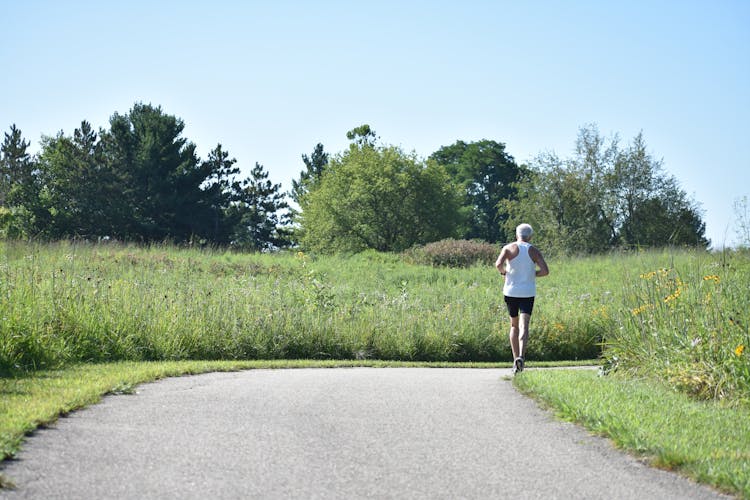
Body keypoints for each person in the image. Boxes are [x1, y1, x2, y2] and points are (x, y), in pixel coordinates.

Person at [495, 223, 549, 374]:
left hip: (510, 291)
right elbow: (545, 271)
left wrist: (504, 273)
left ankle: (514, 360)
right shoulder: (533, 250)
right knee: (524, 326)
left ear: (516, 235)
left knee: (514, 325)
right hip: (527, 292)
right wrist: (533, 274)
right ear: (530, 236)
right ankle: (521, 357)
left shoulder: (508, 248)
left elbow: (498, 264)